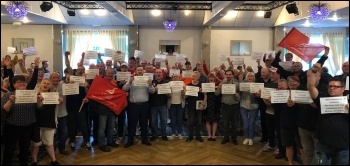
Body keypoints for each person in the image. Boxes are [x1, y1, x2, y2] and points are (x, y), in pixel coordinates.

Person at [307, 70, 349, 165]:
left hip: (344, 145)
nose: (332, 88)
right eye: (330, 86)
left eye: (335, 86)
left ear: (343, 89)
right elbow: (311, 87)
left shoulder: (348, 101)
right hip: (324, 143)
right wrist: (313, 74)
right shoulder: (322, 99)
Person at [1, 75, 40, 165]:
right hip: (12, 126)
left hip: (28, 126)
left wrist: (39, 101)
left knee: (25, 149)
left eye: (24, 82)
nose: (22, 83)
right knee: (9, 149)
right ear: (14, 84)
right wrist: (10, 101)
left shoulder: (32, 93)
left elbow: (39, 109)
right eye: (19, 82)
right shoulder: (8, 94)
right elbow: (4, 111)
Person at [31, 78, 62, 165]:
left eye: (48, 84)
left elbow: (56, 110)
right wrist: (39, 101)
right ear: (40, 84)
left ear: (50, 86)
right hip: (37, 123)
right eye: (44, 83)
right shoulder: (34, 95)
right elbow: (38, 108)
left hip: (49, 122)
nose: (45, 85)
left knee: (49, 143)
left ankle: (53, 160)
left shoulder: (53, 96)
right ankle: (34, 161)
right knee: (36, 144)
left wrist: (60, 103)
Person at [122, 66, 155, 148]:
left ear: (143, 71)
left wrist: (150, 85)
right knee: (132, 123)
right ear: (136, 71)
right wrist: (129, 82)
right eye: (138, 70)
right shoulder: (131, 79)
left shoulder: (147, 80)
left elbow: (153, 91)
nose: (140, 71)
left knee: (144, 123)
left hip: (144, 105)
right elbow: (124, 89)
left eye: (141, 70)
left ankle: (144, 139)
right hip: (134, 105)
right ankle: (130, 140)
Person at [184, 71, 207, 142]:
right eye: (192, 76)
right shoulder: (188, 85)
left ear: (198, 78)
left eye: (194, 76)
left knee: (199, 122)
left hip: (199, 106)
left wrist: (203, 104)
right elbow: (185, 97)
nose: (193, 77)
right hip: (191, 106)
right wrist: (185, 92)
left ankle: (198, 136)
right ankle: (190, 136)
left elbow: (205, 96)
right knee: (190, 122)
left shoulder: (201, 86)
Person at [239, 72, 259, 146]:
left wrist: (257, 94)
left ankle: (251, 138)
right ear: (246, 77)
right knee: (245, 123)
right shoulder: (243, 84)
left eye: (252, 76)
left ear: (254, 77)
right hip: (243, 105)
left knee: (251, 123)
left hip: (254, 106)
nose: (250, 77)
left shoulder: (257, 85)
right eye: (249, 76)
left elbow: (258, 97)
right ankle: (246, 137)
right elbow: (239, 93)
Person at [203, 73, 221, 141]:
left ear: (214, 78)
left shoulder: (217, 85)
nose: (211, 78)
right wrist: (203, 104)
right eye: (210, 77)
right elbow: (205, 96)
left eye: (212, 77)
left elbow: (218, 94)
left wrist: (217, 88)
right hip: (208, 104)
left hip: (215, 104)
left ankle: (213, 135)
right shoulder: (205, 86)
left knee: (215, 120)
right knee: (207, 120)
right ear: (208, 78)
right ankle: (209, 135)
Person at [168, 74, 185, 140]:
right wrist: (169, 91)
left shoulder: (182, 83)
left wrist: (184, 91)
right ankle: (173, 133)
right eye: (174, 77)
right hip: (171, 104)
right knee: (173, 119)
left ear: (179, 78)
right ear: (172, 78)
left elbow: (184, 95)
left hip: (180, 104)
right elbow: (167, 95)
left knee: (179, 119)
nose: (175, 78)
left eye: (176, 77)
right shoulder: (169, 84)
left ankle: (179, 133)